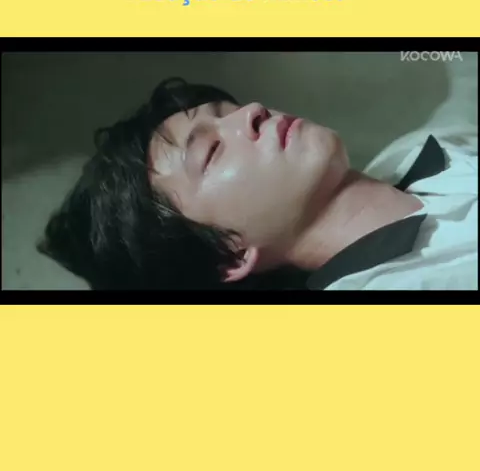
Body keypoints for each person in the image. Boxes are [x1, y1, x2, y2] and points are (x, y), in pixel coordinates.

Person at [38, 77, 478, 290]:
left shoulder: (413, 153)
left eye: (226, 110)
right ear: (229, 255)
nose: (251, 112)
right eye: (211, 151)